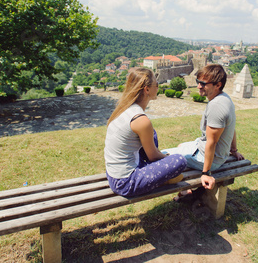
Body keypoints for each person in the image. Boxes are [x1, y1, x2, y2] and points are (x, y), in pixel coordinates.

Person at [163, 64, 244, 197]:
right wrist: (233, 151)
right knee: (181, 146)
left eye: (203, 83)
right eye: (198, 82)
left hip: (207, 158)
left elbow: (211, 142)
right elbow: (231, 128)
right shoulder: (225, 98)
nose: (199, 86)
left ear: (218, 85)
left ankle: (184, 189)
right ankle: (184, 190)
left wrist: (205, 173)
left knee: (161, 156)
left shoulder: (216, 106)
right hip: (215, 153)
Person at [104, 67, 187, 197]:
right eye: (156, 84)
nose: (158, 88)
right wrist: (168, 158)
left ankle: (162, 173)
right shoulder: (141, 120)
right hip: (125, 182)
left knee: (153, 137)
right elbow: (153, 156)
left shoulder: (124, 108)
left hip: (113, 175)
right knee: (180, 161)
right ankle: (163, 180)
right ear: (147, 89)